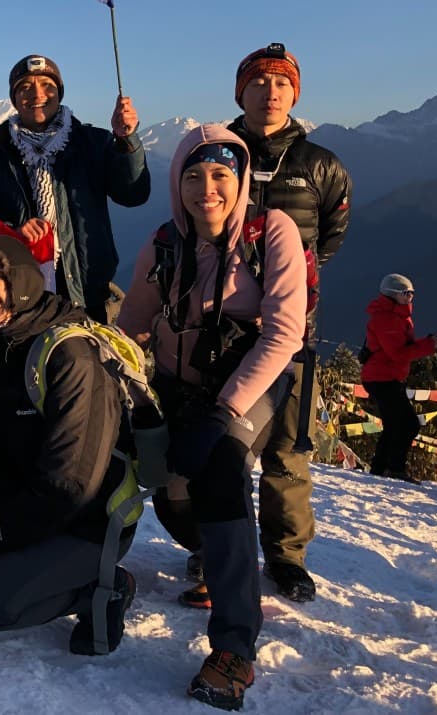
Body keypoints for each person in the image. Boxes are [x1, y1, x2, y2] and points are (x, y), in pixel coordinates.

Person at [118, 125, 306, 709]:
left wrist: (223, 412)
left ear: (240, 179)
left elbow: (283, 334)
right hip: (181, 386)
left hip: (251, 388)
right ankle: (216, 553)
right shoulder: (165, 244)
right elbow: (131, 325)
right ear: (178, 182)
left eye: (222, 174)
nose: (208, 188)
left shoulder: (273, 232)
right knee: (167, 479)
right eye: (195, 176)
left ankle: (234, 648)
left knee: (220, 469)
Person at [0, 234, 138, 657]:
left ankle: (105, 588)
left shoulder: (70, 354)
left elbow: (71, 483)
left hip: (91, 521)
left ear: (18, 279)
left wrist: (1, 535)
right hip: (31, 494)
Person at [225, 42, 354, 603]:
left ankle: (285, 556)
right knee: (224, 441)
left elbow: (331, 237)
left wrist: (288, 284)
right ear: (241, 91)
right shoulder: (221, 150)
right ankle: (215, 550)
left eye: (281, 83)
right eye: (258, 82)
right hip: (224, 326)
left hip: (293, 329)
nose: (269, 92)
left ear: (294, 93)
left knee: (287, 445)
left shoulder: (320, 163)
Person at [0, 55, 149, 323]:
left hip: (89, 295)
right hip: (23, 295)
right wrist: (13, 233)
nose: (37, 94)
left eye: (46, 85)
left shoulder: (93, 143)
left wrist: (126, 141)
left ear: (59, 92)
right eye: (25, 87)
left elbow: (133, 194)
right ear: (15, 98)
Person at [361, 273, 437, 483]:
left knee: (394, 424)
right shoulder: (387, 318)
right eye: (406, 293)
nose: (411, 296)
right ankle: (394, 468)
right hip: (382, 378)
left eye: (412, 293)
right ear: (393, 294)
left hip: (387, 376)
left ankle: (380, 468)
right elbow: (397, 352)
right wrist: (429, 346)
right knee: (408, 424)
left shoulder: (397, 316)